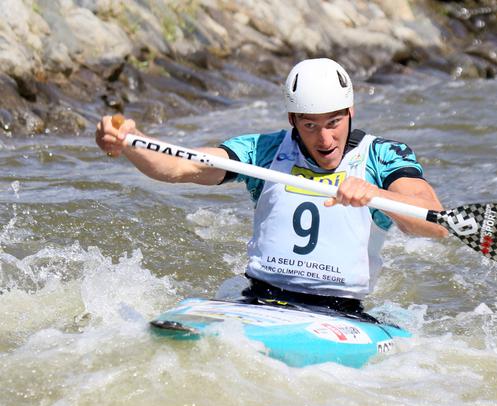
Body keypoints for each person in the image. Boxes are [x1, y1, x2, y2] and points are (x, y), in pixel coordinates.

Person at [96, 58, 447, 319]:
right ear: (292, 119)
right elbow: (181, 165)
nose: (325, 139)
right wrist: (130, 142)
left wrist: (376, 195)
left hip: (339, 312)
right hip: (260, 299)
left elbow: (435, 222)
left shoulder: (382, 155)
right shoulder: (263, 151)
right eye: (310, 125)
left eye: (334, 122)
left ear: (351, 111)